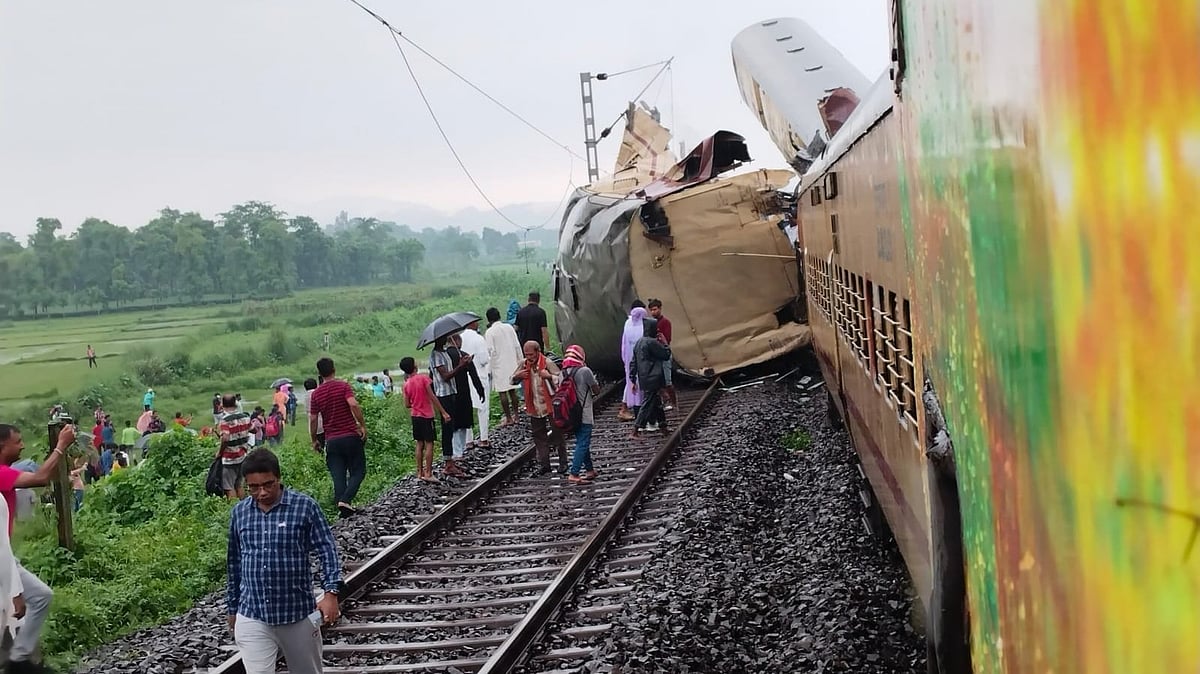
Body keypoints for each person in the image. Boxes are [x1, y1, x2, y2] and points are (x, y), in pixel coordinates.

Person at [226, 448, 341, 674]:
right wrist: (233, 608)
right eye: (253, 487)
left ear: (278, 478)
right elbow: (235, 563)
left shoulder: (304, 507)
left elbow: (327, 550)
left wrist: (331, 593)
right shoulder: (240, 513)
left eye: (268, 485)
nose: (262, 492)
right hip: (252, 613)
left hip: (297, 614)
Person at [0, 423, 75, 673]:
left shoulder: (6, 473)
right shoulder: (1, 473)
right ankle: (18, 661)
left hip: (6, 554)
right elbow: (41, 478)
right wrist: (60, 446)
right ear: (2, 445)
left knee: (40, 597)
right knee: (31, 600)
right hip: (2, 556)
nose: (22, 446)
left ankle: (19, 659)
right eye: (17, 441)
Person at [308, 358, 368, 518]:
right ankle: (345, 500)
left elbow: (313, 419)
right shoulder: (343, 386)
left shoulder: (316, 394)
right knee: (358, 471)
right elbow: (353, 404)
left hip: (332, 441)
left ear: (319, 373)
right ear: (334, 369)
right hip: (350, 436)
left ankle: (343, 510)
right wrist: (362, 425)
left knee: (338, 475)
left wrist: (314, 440)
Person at [511, 340, 569, 474]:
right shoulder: (523, 364)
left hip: (551, 405)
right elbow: (511, 380)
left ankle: (563, 462)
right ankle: (544, 464)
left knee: (557, 434)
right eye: (526, 355)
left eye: (531, 354)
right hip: (534, 406)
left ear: (538, 352)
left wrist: (548, 376)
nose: (529, 357)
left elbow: (561, 379)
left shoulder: (547, 363)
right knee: (538, 436)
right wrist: (517, 376)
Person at [399, 357, 451, 483]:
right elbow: (432, 396)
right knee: (429, 443)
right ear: (414, 366)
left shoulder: (406, 384)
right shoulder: (423, 379)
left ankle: (419, 472)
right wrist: (443, 412)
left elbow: (407, 404)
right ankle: (428, 472)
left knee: (419, 443)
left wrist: (416, 403)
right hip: (426, 416)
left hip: (415, 416)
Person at [429, 336, 474, 478]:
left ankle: (451, 461)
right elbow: (445, 376)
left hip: (451, 392)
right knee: (447, 429)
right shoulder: (436, 355)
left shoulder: (443, 353)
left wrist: (463, 364)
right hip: (444, 395)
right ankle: (448, 463)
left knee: (451, 426)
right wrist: (460, 365)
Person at [562, 345, 600, 485]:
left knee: (583, 442)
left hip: (571, 414)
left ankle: (589, 470)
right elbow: (596, 391)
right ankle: (574, 473)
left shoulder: (563, 372)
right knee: (582, 443)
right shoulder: (585, 371)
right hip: (584, 413)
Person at [631, 317, 672, 438]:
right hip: (654, 377)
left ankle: (663, 427)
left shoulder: (639, 342)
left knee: (656, 402)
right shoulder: (652, 342)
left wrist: (632, 378)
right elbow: (666, 355)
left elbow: (633, 362)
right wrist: (664, 343)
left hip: (644, 378)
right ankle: (636, 429)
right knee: (648, 403)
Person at [447, 335, 485, 461]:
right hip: (463, 392)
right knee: (463, 422)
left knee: (453, 423)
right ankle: (461, 450)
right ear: (457, 341)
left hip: (449, 394)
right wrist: (480, 390)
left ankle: (455, 451)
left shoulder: (444, 357)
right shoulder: (464, 356)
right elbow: (474, 376)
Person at [485, 307, 523, 427]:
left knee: (502, 392)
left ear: (489, 319)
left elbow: (490, 351)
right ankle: (517, 415)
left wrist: (489, 369)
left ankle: (509, 418)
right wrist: (521, 361)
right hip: (512, 362)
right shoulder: (509, 327)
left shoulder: (490, 332)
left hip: (498, 365)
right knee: (513, 390)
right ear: (499, 316)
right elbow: (517, 345)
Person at [458, 319, 491, 449]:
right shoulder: (479, 338)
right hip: (479, 376)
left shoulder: (459, 338)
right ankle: (484, 438)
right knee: (483, 408)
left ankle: (468, 440)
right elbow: (484, 360)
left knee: (467, 408)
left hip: (464, 378)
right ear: (472, 324)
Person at [217, 394, 252, 500]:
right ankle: (243, 505)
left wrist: (219, 452)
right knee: (239, 484)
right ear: (235, 403)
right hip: (243, 455)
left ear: (222, 405)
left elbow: (225, 438)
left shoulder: (224, 420)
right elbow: (254, 429)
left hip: (229, 458)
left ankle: (234, 506)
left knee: (229, 486)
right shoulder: (245, 417)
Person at [647, 298, 677, 410]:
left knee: (667, 381)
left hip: (664, 354)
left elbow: (667, 339)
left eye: (655, 309)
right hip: (655, 355)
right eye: (651, 310)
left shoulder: (665, 322)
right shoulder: (650, 323)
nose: (653, 312)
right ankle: (666, 400)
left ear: (660, 309)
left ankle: (673, 402)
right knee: (657, 381)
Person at [620, 304, 648, 422]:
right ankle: (643, 415)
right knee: (642, 385)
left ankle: (636, 413)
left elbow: (624, 344)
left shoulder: (627, 323)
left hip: (629, 358)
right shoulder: (645, 325)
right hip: (642, 359)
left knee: (632, 383)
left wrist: (625, 359)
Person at [303, 378, 324, 452]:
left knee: (318, 447)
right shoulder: (318, 393)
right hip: (323, 423)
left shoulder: (305, 396)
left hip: (313, 426)